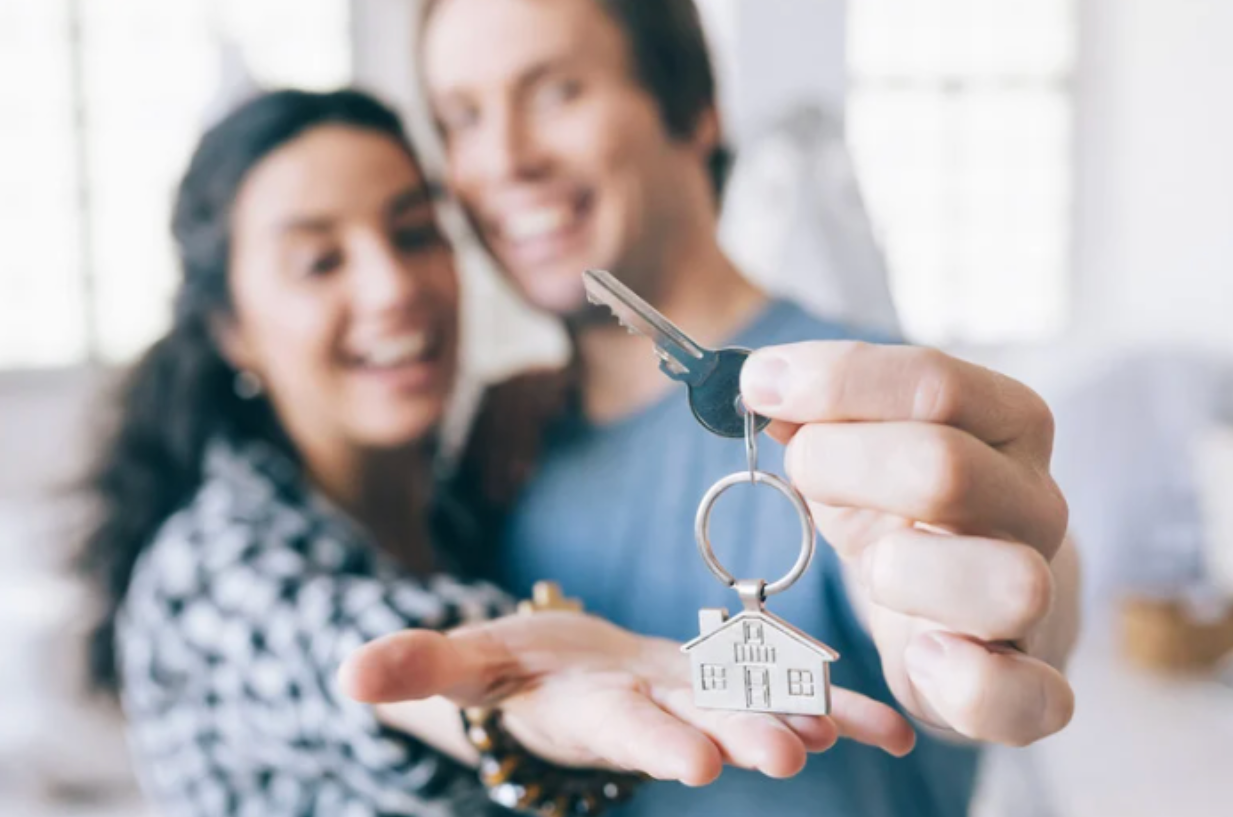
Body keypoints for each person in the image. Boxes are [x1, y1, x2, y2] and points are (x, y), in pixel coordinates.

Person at [77, 88, 913, 817]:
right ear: (229, 329)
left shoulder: (475, 488)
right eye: (320, 260)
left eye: (413, 232)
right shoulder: (211, 570)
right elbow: (359, 650)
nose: (392, 285)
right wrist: (505, 685)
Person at [340, 1, 1082, 816]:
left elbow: (958, 566)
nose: (504, 158)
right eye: (462, 117)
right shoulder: (499, 438)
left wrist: (974, 631)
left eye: (556, 92)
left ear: (694, 109)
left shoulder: (855, 400)